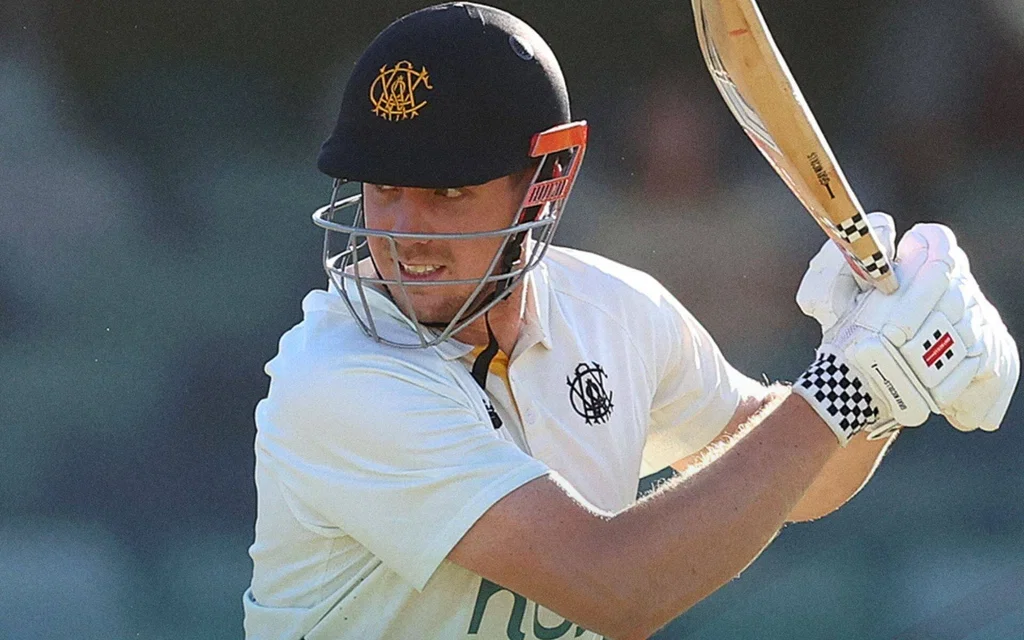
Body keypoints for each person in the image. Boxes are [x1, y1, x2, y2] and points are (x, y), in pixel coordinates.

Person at [243, 3, 1019, 639]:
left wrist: (872, 377)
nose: (404, 232)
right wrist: (847, 385)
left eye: (447, 192)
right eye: (384, 186)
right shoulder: (338, 381)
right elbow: (616, 590)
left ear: (551, 175)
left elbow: (792, 481)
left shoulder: (617, 310)